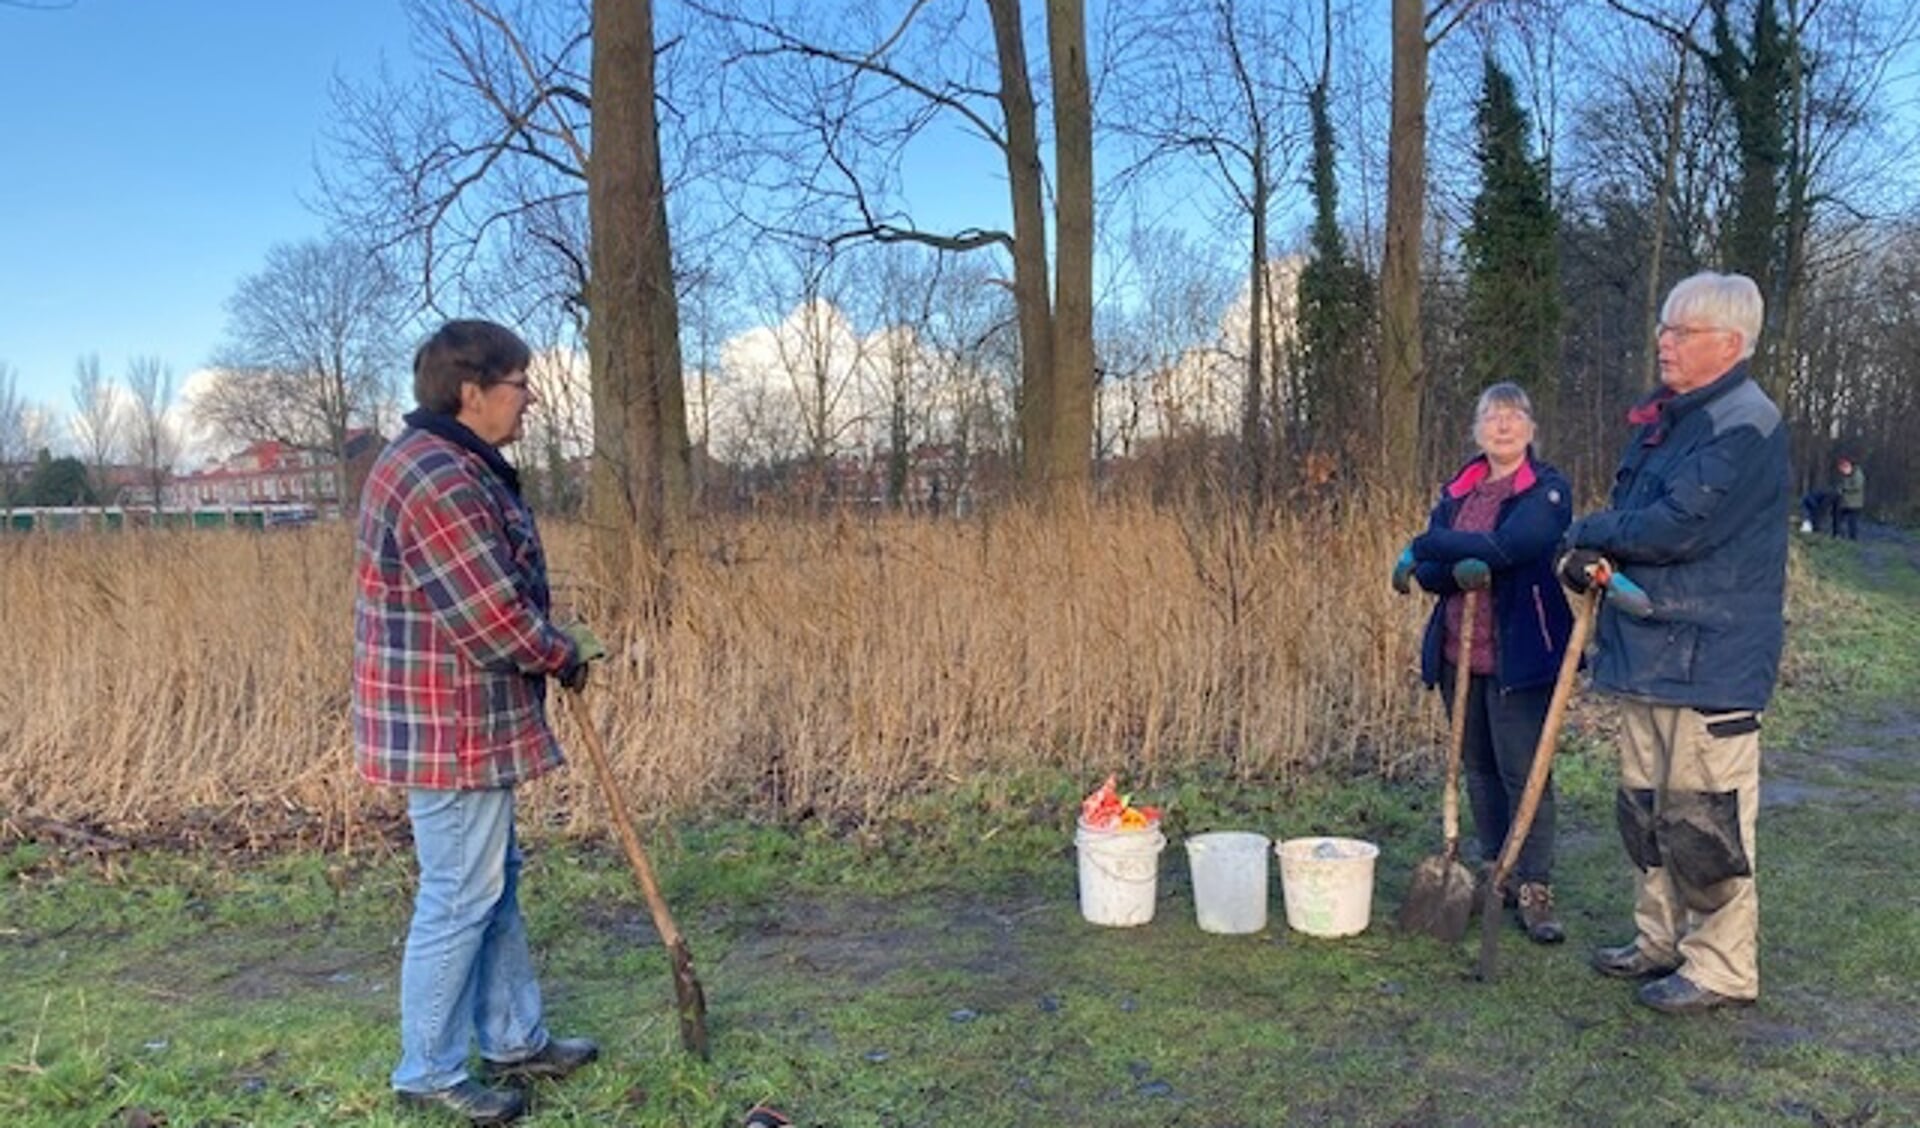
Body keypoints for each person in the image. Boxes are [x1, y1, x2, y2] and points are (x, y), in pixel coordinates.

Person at [353, 319, 606, 1124]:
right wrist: (557, 650)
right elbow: (489, 617)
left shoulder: (453, 464)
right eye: (518, 383)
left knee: (491, 888)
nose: (529, 396)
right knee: (460, 893)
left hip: (464, 717)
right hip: (449, 723)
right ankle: (426, 1068)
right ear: (471, 392)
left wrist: (551, 643)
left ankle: (512, 1036)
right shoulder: (437, 476)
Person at [1559, 271, 1789, 1015]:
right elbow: (1637, 519)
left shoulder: (1745, 423)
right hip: (1649, 647)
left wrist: (1589, 530)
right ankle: (1660, 941)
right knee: (1645, 812)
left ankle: (1721, 967)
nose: (1664, 340)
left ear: (1730, 342)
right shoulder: (1666, 421)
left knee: (1703, 822)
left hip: (1711, 659)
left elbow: (1674, 528)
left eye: (1681, 331)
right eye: (1664, 327)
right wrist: (1591, 559)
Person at [1403, 382, 1575, 944]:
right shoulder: (1458, 491)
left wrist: (1431, 545)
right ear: (1476, 429)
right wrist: (1448, 562)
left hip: (1520, 653)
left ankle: (1534, 885)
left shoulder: (1546, 491)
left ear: (1531, 428)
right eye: (1491, 417)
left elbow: (1509, 549)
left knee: (1523, 772)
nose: (1502, 426)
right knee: (1477, 767)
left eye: (1514, 416)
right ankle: (1495, 870)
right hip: (1459, 652)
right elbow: (1429, 576)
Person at [1832, 456, 1865, 540]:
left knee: (1852, 522)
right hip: (1844, 502)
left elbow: (1857, 486)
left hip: (1855, 503)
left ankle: (1853, 538)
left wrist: (1844, 488)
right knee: (1838, 518)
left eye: (1842, 469)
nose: (1842, 472)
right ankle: (1838, 535)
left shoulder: (1858, 474)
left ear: (1847, 466)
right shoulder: (1844, 476)